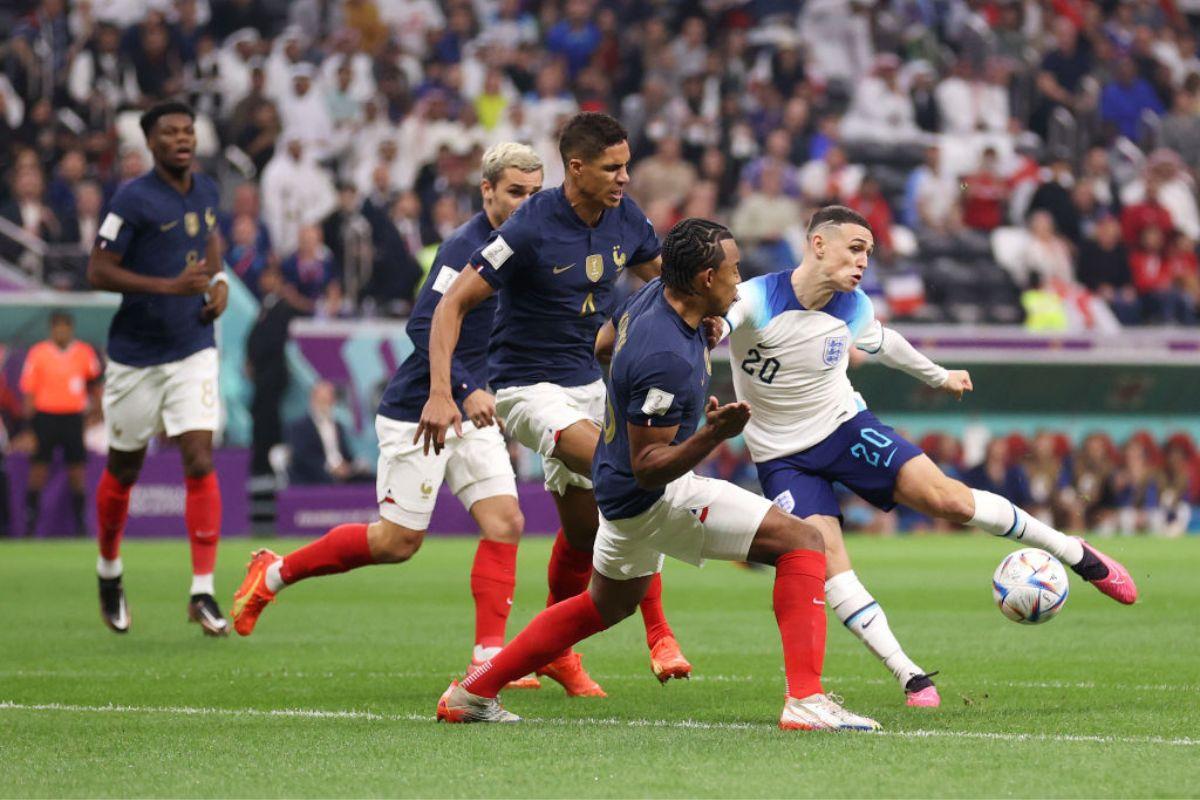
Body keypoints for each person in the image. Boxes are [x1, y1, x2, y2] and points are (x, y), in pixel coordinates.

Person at [437, 219, 879, 731]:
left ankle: (472, 691)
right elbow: (649, 469)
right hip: (650, 497)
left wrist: (637, 394)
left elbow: (604, 345)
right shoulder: (663, 354)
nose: (740, 284)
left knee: (604, 605)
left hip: (619, 490)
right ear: (705, 278)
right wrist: (712, 435)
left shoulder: (652, 297)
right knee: (802, 541)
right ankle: (805, 700)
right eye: (733, 274)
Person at [716, 206, 1139, 706]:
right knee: (825, 557)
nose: (863, 262)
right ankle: (909, 674)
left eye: (869, 253)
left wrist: (938, 375)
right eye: (855, 249)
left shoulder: (853, 307)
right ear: (817, 244)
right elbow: (718, 325)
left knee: (950, 501)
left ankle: (1074, 552)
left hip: (845, 428)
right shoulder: (756, 297)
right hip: (782, 457)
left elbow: (885, 343)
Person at [231, 143, 545, 684]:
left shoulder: (527, 249)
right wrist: (463, 387)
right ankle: (274, 573)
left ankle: (488, 658)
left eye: (535, 194)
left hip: (470, 409)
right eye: (515, 192)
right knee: (396, 543)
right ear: (487, 190)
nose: (525, 204)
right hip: (420, 408)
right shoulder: (463, 248)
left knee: (506, 522)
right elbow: (425, 325)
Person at [418, 112, 690, 696]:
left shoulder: (625, 216)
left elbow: (665, 282)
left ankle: (556, 654)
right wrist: (443, 392)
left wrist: (703, 311)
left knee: (583, 532)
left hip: (590, 385)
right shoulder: (530, 225)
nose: (623, 177)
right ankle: (660, 633)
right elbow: (450, 306)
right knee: (629, 472)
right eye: (612, 168)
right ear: (576, 168)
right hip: (525, 389)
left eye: (626, 165)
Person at [86, 101, 230, 636]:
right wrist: (168, 286)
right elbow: (97, 269)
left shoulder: (208, 190)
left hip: (193, 344)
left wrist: (219, 288)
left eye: (187, 130)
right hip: (136, 355)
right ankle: (109, 571)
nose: (181, 138)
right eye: (169, 132)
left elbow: (210, 251)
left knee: (198, 454)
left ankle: (202, 591)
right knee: (124, 469)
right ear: (150, 142)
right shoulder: (132, 198)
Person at [19, 311, 102, 538]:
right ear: (51, 329)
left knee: (77, 472)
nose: (61, 331)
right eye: (57, 327)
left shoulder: (84, 352)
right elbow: (29, 391)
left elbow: (95, 385)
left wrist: (96, 411)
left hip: (73, 418)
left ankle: (81, 526)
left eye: (65, 327)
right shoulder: (38, 353)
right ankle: (30, 524)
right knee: (38, 470)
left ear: (71, 329)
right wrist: (29, 427)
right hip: (45, 418)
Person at [285, 380, 365, 485]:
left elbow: (346, 454)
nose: (327, 404)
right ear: (313, 399)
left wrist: (353, 466)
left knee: (369, 479)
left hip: (342, 474)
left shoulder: (338, 426)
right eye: (323, 400)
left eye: (329, 400)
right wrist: (330, 468)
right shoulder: (299, 427)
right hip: (316, 475)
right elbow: (302, 457)